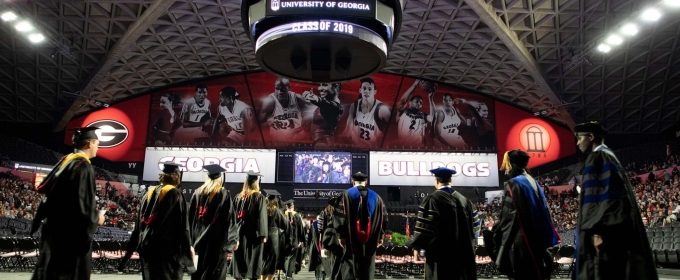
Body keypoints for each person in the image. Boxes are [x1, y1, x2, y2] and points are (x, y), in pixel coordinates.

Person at [574, 122, 657, 280]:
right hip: (614, 232)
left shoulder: (598, 156)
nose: (577, 143)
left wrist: (599, 231)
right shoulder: (609, 155)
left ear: (591, 137)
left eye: (579, 138)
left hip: (606, 235)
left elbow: (605, 197)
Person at [31, 127, 105, 280]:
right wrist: (96, 218)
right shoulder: (82, 166)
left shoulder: (65, 162)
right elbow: (80, 206)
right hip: (68, 239)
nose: (98, 147)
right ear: (90, 143)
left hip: (53, 232)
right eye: (97, 143)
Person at [490, 150, 559, 280]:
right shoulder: (532, 181)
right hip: (537, 237)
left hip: (522, 240)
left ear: (511, 165)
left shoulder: (514, 183)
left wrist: (497, 231)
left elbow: (509, 216)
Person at [122, 162, 195, 280]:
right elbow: (182, 226)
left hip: (147, 248)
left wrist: (131, 248)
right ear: (177, 176)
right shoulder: (175, 194)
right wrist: (188, 248)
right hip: (167, 251)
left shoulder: (149, 193)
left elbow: (139, 224)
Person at [409, 167, 477, 280]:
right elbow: (475, 230)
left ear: (436, 181)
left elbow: (424, 229)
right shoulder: (466, 201)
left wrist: (417, 246)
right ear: (451, 181)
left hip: (441, 257)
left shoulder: (432, 200)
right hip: (464, 256)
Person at [332, 172, 387, 280]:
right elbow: (384, 219)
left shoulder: (345, 195)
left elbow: (339, 218)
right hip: (371, 240)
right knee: (368, 267)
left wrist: (341, 236)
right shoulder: (377, 198)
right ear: (366, 182)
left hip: (350, 239)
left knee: (350, 266)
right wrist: (381, 236)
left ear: (353, 182)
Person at [188, 164, 237, 280]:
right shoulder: (223, 194)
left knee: (199, 271)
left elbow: (190, 218)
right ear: (220, 178)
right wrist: (233, 240)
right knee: (215, 273)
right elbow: (230, 217)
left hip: (198, 240)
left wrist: (189, 241)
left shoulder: (197, 193)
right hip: (217, 241)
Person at [231, 171, 268, 280]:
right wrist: (263, 234)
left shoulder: (238, 197)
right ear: (256, 183)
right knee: (254, 262)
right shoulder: (259, 197)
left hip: (239, 232)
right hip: (253, 235)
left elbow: (233, 216)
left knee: (239, 260)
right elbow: (261, 217)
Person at [340, 78, 391, 147]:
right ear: (360, 90)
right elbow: (348, 128)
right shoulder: (354, 105)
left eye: (370, 89)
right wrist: (341, 143)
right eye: (364, 88)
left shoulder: (381, 109)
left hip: (373, 149)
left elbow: (393, 130)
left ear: (375, 92)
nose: (366, 91)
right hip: (356, 148)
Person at [259, 77, 309, 142]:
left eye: (283, 89)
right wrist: (272, 122)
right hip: (279, 142)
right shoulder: (269, 102)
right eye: (277, 89)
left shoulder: (298, 99)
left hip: (299, 140)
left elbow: (310, 117)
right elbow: (260, 124)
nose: (279, 92)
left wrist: (304, 125)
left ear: (289, 87)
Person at [303, 83, 344, 148]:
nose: (320, 88)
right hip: (319, 146)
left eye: (325, 85)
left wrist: (316, 99)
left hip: (324, 146)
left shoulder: (335, 107)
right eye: (319, 85)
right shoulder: (326, 104)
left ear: (335, 88)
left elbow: (328, 105)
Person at [395, 79, 434, 147]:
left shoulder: (423, 115)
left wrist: (431, 99)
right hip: (404, 148)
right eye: (417, 101)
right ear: (410, 103)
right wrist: (414, 85)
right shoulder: (402, 112)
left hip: (419, 149)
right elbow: (403, 101)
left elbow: (433, 118)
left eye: (421, 103)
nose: (419, 103)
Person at [261, 189, 289, 280]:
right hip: (274, 238)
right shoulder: (276, 211)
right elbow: (285, 224)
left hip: (263, 237)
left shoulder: (262, 209)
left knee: (264, 260)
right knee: (272, 261)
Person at [283, 199, 305, 280]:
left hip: (284, 241)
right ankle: (289, 274)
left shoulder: (283, 214)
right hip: (295, 241)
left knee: (285, 257)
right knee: (292, 257)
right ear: (292, 206)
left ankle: (284, 273)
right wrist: (301, 240)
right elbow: (300, 229)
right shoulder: (296, 215)